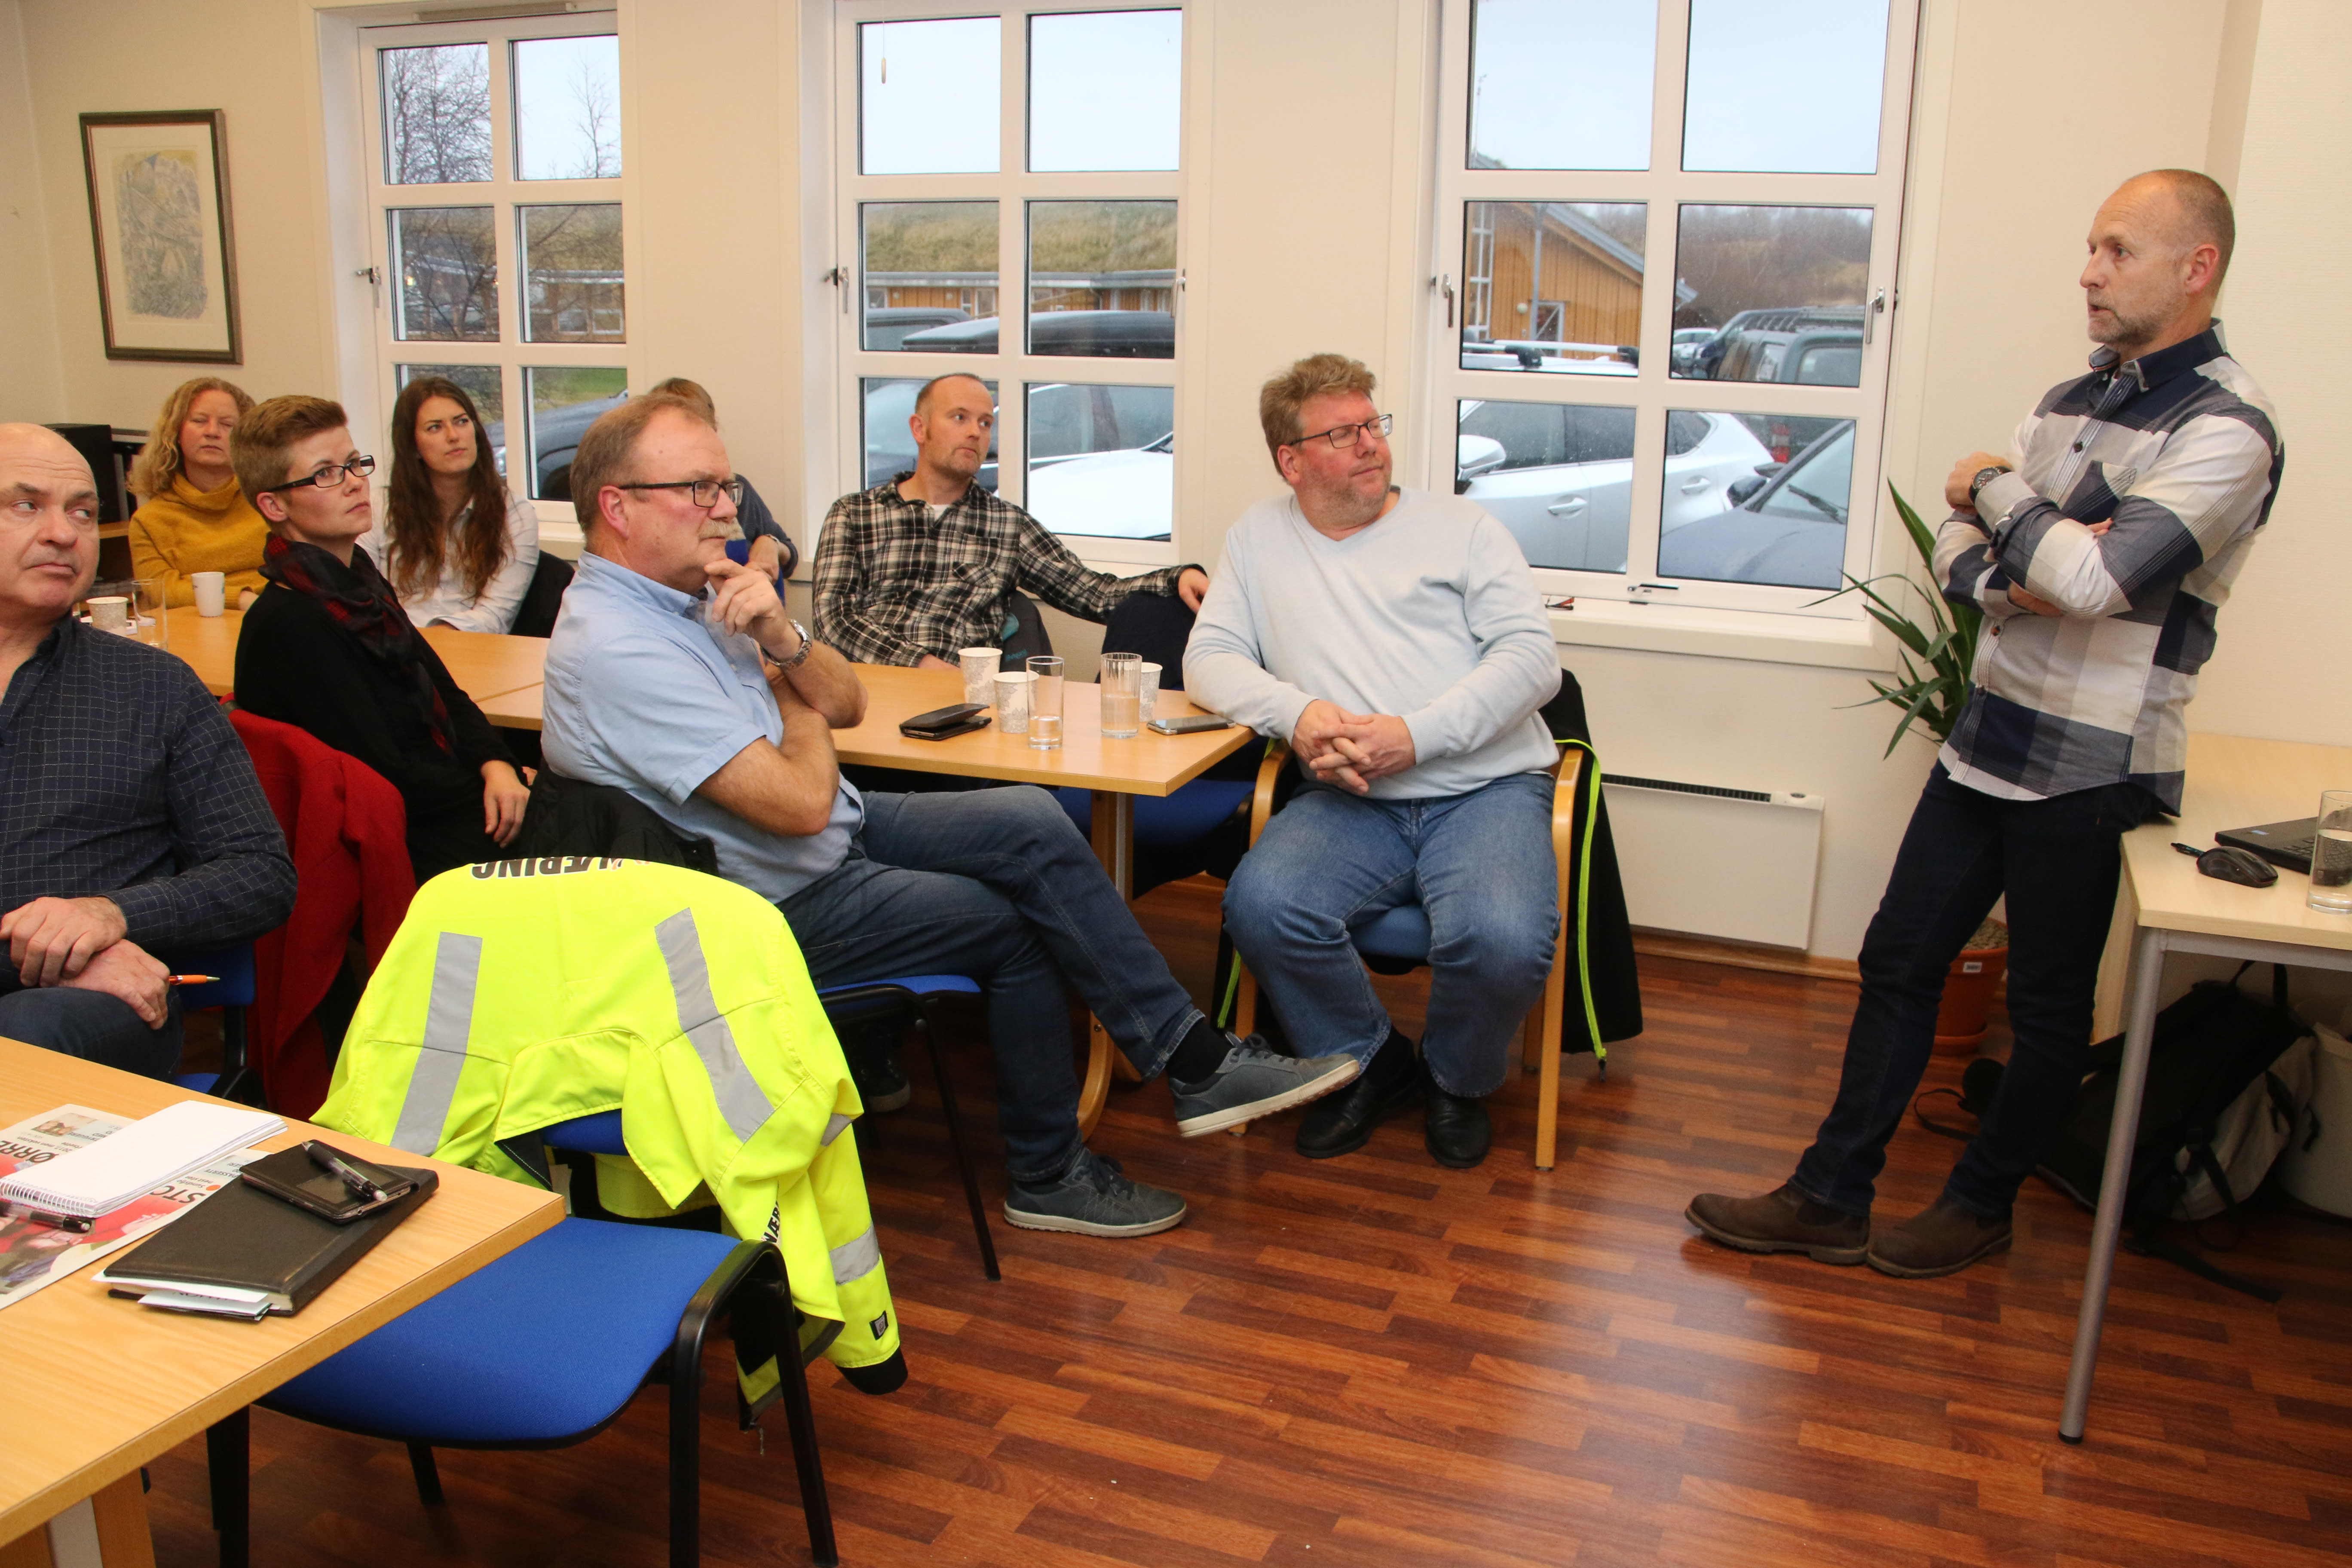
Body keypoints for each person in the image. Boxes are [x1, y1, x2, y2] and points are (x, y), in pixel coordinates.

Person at [539, 392, 1357, 1237]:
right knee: (1014, 923)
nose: (727, 510)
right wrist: (792, 695)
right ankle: (1049, 1173)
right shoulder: (621, 645)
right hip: (762, 905)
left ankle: (1193, 1061)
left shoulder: (691, 597)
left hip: (823, 835)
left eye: (727, 485)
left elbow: (847, 702)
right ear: (618, 507)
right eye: (700, 488)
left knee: (1030, 817)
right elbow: (801, 801)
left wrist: (782, 640)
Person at [1687, 169, 2283, 1279]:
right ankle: (1829, 1197)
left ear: (2197, 266)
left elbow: (2091, 580)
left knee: (2047, 1008)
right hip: (1990, 734)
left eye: (2118, 250)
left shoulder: (2229, 430)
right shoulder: (2070, 399)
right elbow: (1969, 557)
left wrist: (1999, 488)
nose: (2089, 272)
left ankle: (1980, 1206)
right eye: (2092, 247)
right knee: (1898, 961)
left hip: (2094, 760)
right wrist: (2028, 564)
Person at [1187, 354, 1564, 1171]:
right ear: (1291, 461)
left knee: (1502, 939)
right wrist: (1298, 715)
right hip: (1351, 798)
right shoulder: (1257, 536)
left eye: (1372, 424)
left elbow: (1535, 662)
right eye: (1342, 434)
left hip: (1486, 789)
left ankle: (1455, 1079)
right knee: (1262, 906)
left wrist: (1415, 736)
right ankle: (1369, 1059)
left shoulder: (1463, 529)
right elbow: (1208, 659)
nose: (1370, 444)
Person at [0, 424, 295, 1076]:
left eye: (83, 512)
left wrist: (110, 916)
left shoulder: (153, 685)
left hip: (86, 1020)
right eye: (26, 505)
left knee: (27, 1031)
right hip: (71, 983)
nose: (63, 533)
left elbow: (259, 876)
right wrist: (48, 959)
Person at [229, 396, 531, 882]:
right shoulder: (292, 622)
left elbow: (441, 687)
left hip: (435, 803)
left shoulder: (355, 582)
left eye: (354, 464)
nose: (354, 482)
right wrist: (490, 785)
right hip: (400, 837)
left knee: (601, 808)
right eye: (326, 474)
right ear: (274, 505)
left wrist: (497, 762)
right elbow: (382, 770)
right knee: (602, 823)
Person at [812, 372, 1207, 669]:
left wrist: (1176, 578)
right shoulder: (854, 514)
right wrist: (920, 664)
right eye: (960, 418)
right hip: (866, 691)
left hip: (959, 702)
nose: (975, 433)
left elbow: (1094, 594)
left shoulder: (1006, 525)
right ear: (920, 428)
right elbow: (832, 621)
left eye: (985, 423)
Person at [361, 376, 539, 632]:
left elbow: (495, 616)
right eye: (435, 428)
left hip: (468, 646)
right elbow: (361, 598)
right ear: (412, 446)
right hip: (389, 644)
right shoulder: (377, 508)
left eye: (461, 422)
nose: (454, 436)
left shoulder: (514, 514)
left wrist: (427, 644)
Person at [127, 377, 268, 609]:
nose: (212, 432)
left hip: (275, 618)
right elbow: (163, 592)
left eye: (227, 424)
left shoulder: (270, 503)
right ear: (176, 433)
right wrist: (241, 599)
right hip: (195, 625)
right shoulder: (149, 520)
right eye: (200, 421)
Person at [647, 378, 798, 581]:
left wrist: (771, 544)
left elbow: (790, 557)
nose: (726, 509)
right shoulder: (650, 498)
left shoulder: (737, 490)